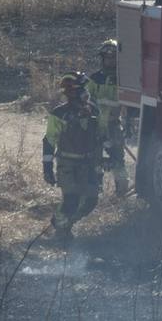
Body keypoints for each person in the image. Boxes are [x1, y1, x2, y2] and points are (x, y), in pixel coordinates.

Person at [43, 73, 102, 241]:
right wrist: (47, 169)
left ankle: (63, 222)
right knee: (71, 200)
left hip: (89, 163)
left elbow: (100, 138)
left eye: (85, 89)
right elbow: (48, 142)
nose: (85, 93)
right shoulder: (59, 114)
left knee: (90, 201)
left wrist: (103, 161)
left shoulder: (94, 111)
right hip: (67, 165)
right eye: (80, 89)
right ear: (70, 92)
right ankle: (61, 233)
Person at [86, 38, 128, 195]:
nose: (110, 61)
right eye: (107, 57)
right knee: (93, 160)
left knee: (118, 160)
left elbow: (129, 106)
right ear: (102, 58)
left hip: (113, 125)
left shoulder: (124, 80)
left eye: (113, 58)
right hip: (94, 126)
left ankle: (121, 193)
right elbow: (84, 99)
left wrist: (128, 125)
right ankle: (95, 193)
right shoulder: (94, 79)